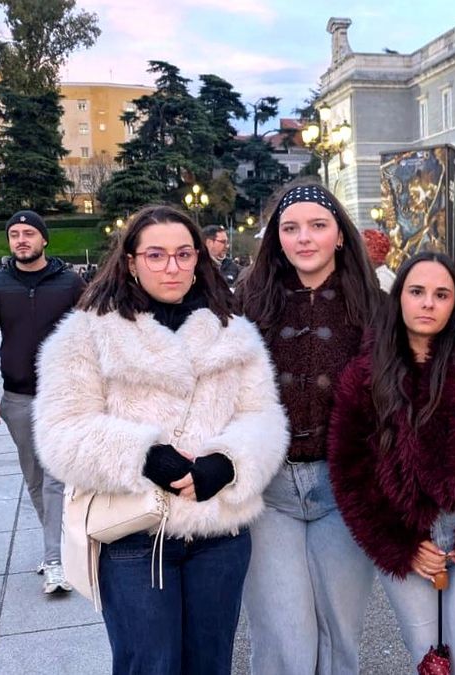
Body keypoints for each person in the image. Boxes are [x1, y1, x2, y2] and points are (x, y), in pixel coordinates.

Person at [34, 205, 287, 674]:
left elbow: (263, 416)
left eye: (183, 254)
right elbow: (60, 428)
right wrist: (142, 454)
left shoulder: (233, 332)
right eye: (156, 255)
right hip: (135, 532)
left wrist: (228, 463)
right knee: (149, 664)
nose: (171, 267)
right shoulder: (88, 332)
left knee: (210, 664)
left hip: (219, 531)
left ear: (198, 260)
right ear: (130, 260)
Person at [328, 252, 455, 675]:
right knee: (430, 663)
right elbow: (350, 472)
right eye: (417, 292)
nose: (428, 304)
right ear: (399, 297)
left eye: (441, 294)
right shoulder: (366, 373)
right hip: (408, 537)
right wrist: (397, 544)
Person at [236, 180, 383, 675]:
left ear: (339, 235)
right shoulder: (248, 301)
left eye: (318, 226)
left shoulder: (375, 305)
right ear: (276, 238)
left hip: (343, 489)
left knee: (340, 632)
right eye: (291, 228)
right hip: (270, 489)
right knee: (281, 637)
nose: (304, 238)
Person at [0, 211, 86, 594]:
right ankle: (59, 545)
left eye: (29, 233)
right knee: (35, 478)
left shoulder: (70, 283)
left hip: (62, 397)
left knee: (55, 479)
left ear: (44, 239)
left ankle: (56, 560)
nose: (21, 240)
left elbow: (92, 333)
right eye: (14, 234)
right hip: (17, 397)